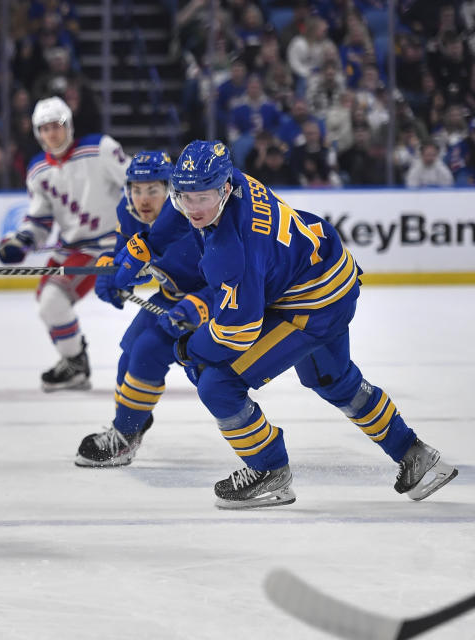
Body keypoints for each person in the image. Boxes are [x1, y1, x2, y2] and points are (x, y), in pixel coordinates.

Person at [125, 139, 458, 509]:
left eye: (203, 198)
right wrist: (148, 245)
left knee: (217, 382)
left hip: (308, 306)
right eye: (186, 197)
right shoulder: (232, 178)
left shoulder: (230, 253)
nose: (194, 208)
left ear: (223, 188)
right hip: (331, 278)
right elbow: (190, 200)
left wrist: (190, 347)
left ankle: (269, 471)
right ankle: (417, 456)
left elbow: (237, 333)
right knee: (333, 379)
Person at [75, 151, 204, 466]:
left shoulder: (191, 217)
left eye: (153, 190)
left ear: (170, 190)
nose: (143, 198)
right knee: (131, 351)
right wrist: (111, 272)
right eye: (136, 189)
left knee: (198, 374)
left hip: (210, 301)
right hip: (172, 295)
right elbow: (126, 252)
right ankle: (127, 430)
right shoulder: (128, 210)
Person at [0, 96, 130, 391]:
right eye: (44, 129)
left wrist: (140, 229)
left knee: (52, 302)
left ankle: (75, 364)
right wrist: (22, 241)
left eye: (56, 126)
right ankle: (75, 362)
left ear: (68, 125)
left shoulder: (100, 149)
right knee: (47, 302)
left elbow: (135, 185)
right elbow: (40, 219)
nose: (51, 134)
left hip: (105, 247)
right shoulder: (37, 170)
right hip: (72, 248)